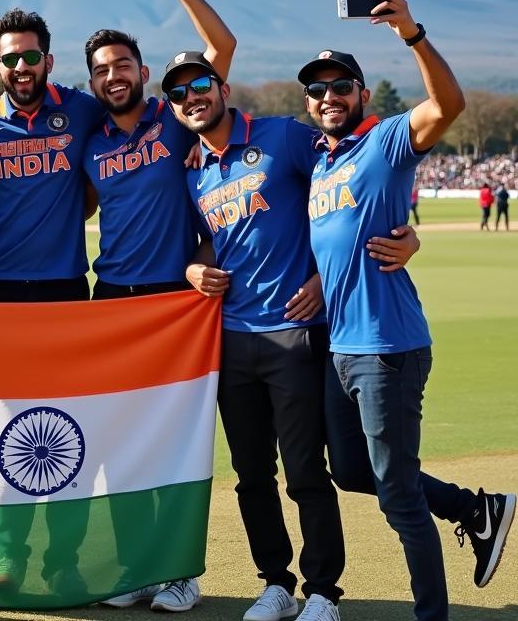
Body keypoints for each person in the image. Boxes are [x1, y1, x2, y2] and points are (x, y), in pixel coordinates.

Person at [166, 50, 418, 621]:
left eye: (200, 84)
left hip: (296, 334)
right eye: (179, 94)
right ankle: (275, 583)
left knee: (306, 469)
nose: (191, 98)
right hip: (231, 338)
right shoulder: (192, 169)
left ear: (222, 87)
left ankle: (323, 591)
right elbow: (209, 240)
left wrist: (400, 240)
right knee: (252, 474)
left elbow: (355, 184)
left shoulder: (284, 135)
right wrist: (191, 269)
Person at [301, 0, 515, 621]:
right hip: (340, 348)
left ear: (362, 95)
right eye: (317, 90)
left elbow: (447, 104)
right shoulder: (321, 163)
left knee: (396, 491)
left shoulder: (386, 140)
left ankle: (432, 616)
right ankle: (475, 509)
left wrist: (411, 34)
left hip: (386, 346)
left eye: (341, 87)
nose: (328, 97)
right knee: (353, 473)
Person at [81, 0, 236, 614]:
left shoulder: (173, 121)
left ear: (143, 70)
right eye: (102, 70)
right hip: (109, 300)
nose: (113, 76)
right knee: (117, 441)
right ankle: (135, 567)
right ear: (90, 83)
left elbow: (220, 50)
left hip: (175, 303)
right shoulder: (90, 140)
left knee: (172, 442)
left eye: (122, 65)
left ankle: (178, 571)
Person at [0, 6, 105, 602]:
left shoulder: (82, 108)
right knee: (9, 431)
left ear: (49, 59)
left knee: (66, 431)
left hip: (66, 291)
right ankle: (6, 553)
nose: (21, 67)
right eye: (10, 59)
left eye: (31, 56)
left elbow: (145, 125)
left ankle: (64, 561)